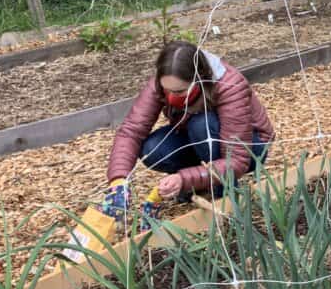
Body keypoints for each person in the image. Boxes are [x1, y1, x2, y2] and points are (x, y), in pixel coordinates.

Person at [102, 40, 274, 219]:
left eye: (178, 91)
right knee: (152, 149)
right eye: (166, 90)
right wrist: (119, 179)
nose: (170, 96)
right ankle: (200, 183)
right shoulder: (164, 81)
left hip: (250, 148)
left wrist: (183, 179)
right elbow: (131, 130)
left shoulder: (229, 85)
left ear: (200, 78)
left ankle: (225, 193)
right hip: (201, 139)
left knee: (202, 124)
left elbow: (237, 160)